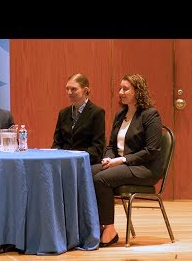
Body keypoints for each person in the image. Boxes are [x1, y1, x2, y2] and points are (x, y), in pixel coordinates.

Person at [92, 74, 163, 247]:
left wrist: (121, 160)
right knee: (86, 172)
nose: (121, 92)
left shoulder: (150, 115)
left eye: (126, 89)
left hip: (144, 168)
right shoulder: (120, 114)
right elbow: (110, 145)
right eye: (120, 88)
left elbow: (151, 151)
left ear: (138, 91)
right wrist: (109, 158)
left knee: (100, 178)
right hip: (122, 164)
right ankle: (94, 226)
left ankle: (109, 229)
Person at [51, 73, 106, 165]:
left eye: (73, 89)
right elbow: (57, 143)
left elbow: (97, 147)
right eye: (67, 89)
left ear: (85, 90)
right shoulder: (63, 113)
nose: (69, 92)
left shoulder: (97, 112)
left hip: (85, 162)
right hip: (64, 162)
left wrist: (76, 158)